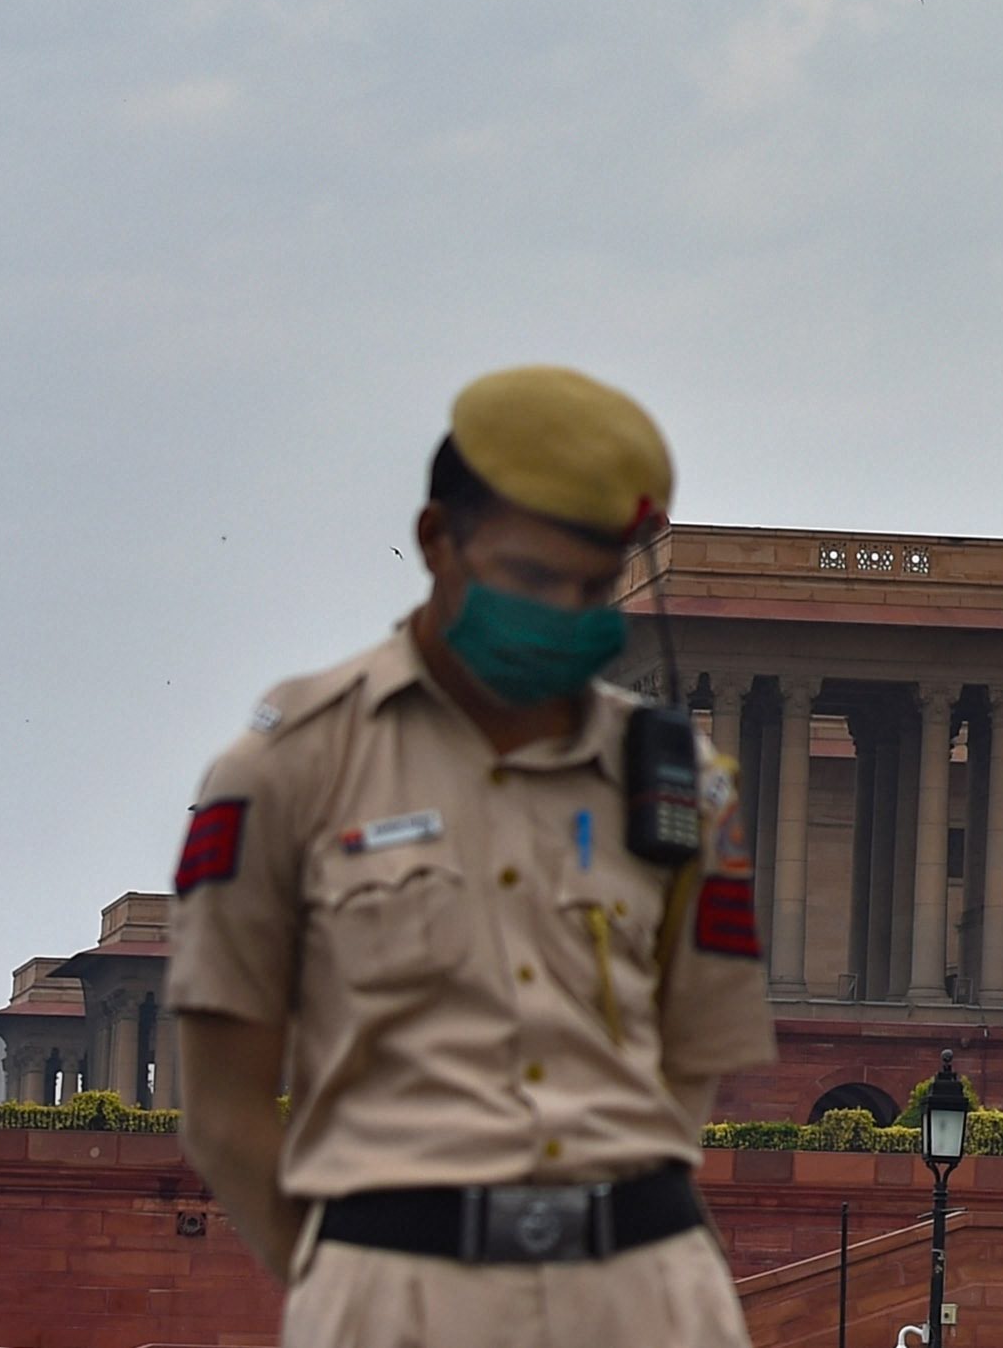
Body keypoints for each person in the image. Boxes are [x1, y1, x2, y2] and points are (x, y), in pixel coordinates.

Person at [171, 367, 772, 1344]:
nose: (564, 611)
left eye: (591, 585)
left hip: (646, 1291)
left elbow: (692, 1064)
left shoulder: (682, 787)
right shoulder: (287, 767)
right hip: (397, 1291)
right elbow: (224, 1106)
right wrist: (348, 1281)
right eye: (532, 578)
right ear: (437, 538)